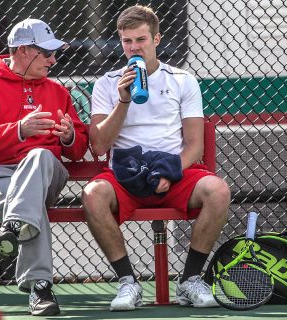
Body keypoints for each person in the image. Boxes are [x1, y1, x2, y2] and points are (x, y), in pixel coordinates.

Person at [82, 5, 230, 311]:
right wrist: (123, 100)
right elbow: (98, 145)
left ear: (157, 39)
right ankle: (128, 283)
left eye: (141, 40)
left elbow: (193, 144)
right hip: (126, 173)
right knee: (92, 194)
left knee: (218, 190)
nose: (134, 48)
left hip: (171, 171)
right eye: (127, 41)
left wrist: (169, 171)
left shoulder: (182, 80)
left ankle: (190, 280)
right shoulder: (106, 83)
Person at [0, 18, 89, 316]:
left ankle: (13, 225)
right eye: (46, 53)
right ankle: (40, 288)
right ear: (21, 51)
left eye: (53, 53)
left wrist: (70, 135)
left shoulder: (59, 92)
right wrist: (19, 130)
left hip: (46, 175)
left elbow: (80, 148)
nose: (53, 59)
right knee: (29, 207)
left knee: (40, 157)